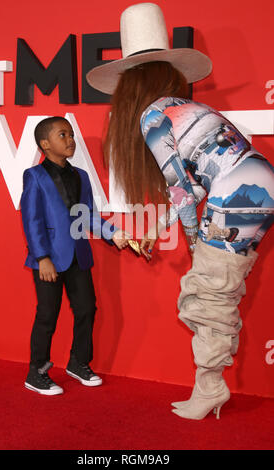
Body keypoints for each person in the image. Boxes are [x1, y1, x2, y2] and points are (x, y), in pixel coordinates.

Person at [86, 3, 274, 419]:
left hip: (236, 190)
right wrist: (168, 226)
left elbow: (183, 190)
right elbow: (205, 177)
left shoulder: (154, 116)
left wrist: (191, 240)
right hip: (256, 183)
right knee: (218, 288)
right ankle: (209, 385)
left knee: (207, 291)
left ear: (131, 84)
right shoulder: (183, 109)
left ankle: (210, 387)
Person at [21, 116, 129, 396]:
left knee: (86, 309)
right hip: (48, 259)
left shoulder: (81, 175)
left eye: (70, 134)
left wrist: (113, 233)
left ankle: (78, 363)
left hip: (79, 255)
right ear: (45, 144)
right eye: (62, 135)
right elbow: (32, 220)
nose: (70, 140)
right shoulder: (34, 176)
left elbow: (88, 215)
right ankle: (37, 372)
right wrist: (42, 257)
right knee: (47, 315)